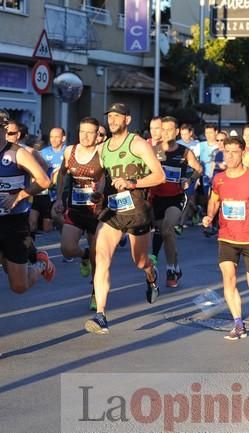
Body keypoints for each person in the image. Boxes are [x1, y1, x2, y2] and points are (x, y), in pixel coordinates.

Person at [0, 107, 55, 362]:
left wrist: (21, 195)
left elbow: (44, 181)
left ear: (5, 129)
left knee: (19, 286)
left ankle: (40, 264)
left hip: (16, 226)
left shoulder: (18, 154)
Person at [84, 103, 165, 335]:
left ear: (127, 120)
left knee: (139, 261)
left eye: (117, 117)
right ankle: (100, 315)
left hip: (137, 211)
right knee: (101, 258)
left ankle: (151, 274)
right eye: (110, 117)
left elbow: (159, 175)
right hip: (112, 212)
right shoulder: (104, 147)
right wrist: (98, 192)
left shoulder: (137, 144)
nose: (112, 120)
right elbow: (102, 178)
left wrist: (133, 184)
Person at [202, 136, 249, 340]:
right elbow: (214, 200)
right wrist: (210, 215)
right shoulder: (218, 178)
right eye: (227, 151)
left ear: (243, 153)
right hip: (226, 236)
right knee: (229, 279)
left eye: (235, 151)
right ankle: (238, 323)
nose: (230, 156)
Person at [53, 117, 105, 310]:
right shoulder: (70, 151)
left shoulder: (102, 152)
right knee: (66, 248)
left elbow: (107, 175)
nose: (85, 136)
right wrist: (58, 198)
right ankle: (83, 255)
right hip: (75, 208)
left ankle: (95, 294)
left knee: (97, 256)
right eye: (82, 131)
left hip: (96, 212)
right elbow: (62, 174)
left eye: (90, 132)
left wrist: (101, 192)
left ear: (97, 134)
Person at [149, 116, 202, 287]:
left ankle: (170, 269)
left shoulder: (185, 152)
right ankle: (177, 267)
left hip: (176, 197)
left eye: (169, 130)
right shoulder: (153, 150)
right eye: (162, 130)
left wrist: (189, 179)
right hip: (157, 198)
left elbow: (198, 169)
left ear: (177, 131)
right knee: (165, 232)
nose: (165, 133)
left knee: (166, 228)